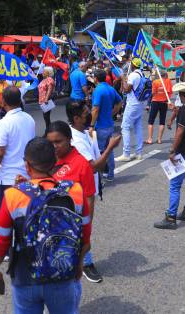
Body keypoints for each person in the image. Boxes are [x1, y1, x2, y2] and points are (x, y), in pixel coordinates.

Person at [0, 137, 86, 314]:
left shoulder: (13, 196)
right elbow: (84, 236)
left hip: (26, 277)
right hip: (62, 274)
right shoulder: (75, 191)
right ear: (54, 162)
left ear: (27, 165)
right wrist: (79, 264)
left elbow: (0, 240)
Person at [66, 103, 121, 283]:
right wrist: (110, 147)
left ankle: (75, 259)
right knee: (84, 226)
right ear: (76, 118)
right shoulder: (77, 139)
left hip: (87, 188)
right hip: (81, 192)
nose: (89, 114)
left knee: (81, 226)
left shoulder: (82, 132)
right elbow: (93, 166)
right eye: (85, 113)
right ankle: (85, 263)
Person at [46, 121, 95, 296]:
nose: (54, 146)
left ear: (69, 139)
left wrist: (85, 231)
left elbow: (89, 198)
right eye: (50, 142)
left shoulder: (81, 164)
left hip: (70, 230)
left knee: (70, 277)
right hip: (47, 228)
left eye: (58, 141)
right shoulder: (46, 158)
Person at [154, 82, 185, 230]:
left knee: (175, 185)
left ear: (181, 95)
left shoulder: (184, 111)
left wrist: (172, 150)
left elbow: (179, 132)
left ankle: (171, 217)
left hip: (184, 153)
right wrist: (177, 111)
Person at [0, 86, 35, 207]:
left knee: (8, 220)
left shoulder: (4, 124)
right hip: (27, 177)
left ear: (3, 101)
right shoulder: (29, 119)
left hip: (8, 179)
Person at [90, 70, 122, 183]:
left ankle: (99, 177)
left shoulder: (98, 90)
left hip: (101, 126)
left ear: (96, 78)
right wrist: (112, 113)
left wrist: (91, 125)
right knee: (109, 150)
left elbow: (95, 109)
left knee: (98, 152)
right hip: (109, 124)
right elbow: (120, 102)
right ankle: (110, 174)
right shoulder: (110, 88)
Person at [115, 58, 146, 162]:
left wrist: (124, 78)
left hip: (133, 104)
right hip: (140, 104)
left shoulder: (133, 75)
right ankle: (139, 153)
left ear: (133, 65)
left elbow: (127, 90)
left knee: (125, 127)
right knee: (138, 127)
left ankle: (126, 153)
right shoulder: (142, 74)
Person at [147, 72, 172, 144]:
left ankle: (150, 139)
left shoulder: (155, 82)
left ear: (159, 74)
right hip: (164, 102)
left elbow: (153, 92)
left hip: (155, 102)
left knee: (151, 120)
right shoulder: (168, 81)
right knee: (162, 121)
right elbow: (170, 92)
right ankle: (159, 139)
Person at [38, 66, 56, 135]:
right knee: (46, 117)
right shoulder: (44, 79)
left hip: (46, 101)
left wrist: (46, 99)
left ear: (48, 72)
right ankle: (49, 131)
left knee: (46, 117)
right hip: (42, 101)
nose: (42, 72)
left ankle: (48, 132)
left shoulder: (49, 79)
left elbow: (49, 89)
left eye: (44, 71)